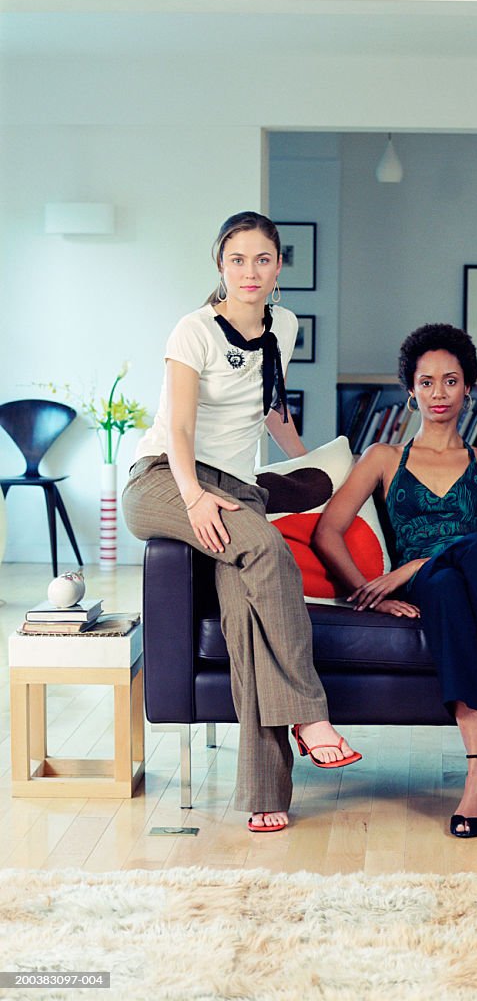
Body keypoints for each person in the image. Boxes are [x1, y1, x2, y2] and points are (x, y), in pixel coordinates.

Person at [123, 211, 362, 834]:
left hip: (236, 485)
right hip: (163, 478)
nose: (250, 272)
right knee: (265, 550)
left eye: (262, 260)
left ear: (279, 266)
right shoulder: (194, 330)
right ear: (221, 266)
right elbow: (176, 428)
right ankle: (311, 713)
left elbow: (273, 412)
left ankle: (265, 793)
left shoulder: (284, 324)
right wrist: (195, 498)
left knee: (247, 616)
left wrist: (314, 466)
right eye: (237, 260)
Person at [311, 324, 477, 840]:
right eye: (427, 382)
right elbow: (327, 531)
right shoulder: (383, 457)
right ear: (412, 391)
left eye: (450, 381)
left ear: (468, 387)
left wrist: (409, 565)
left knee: (468, 569)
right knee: (444, 582)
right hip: (423, 589)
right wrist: (373, 595)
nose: (439, 394)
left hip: (476, 585)